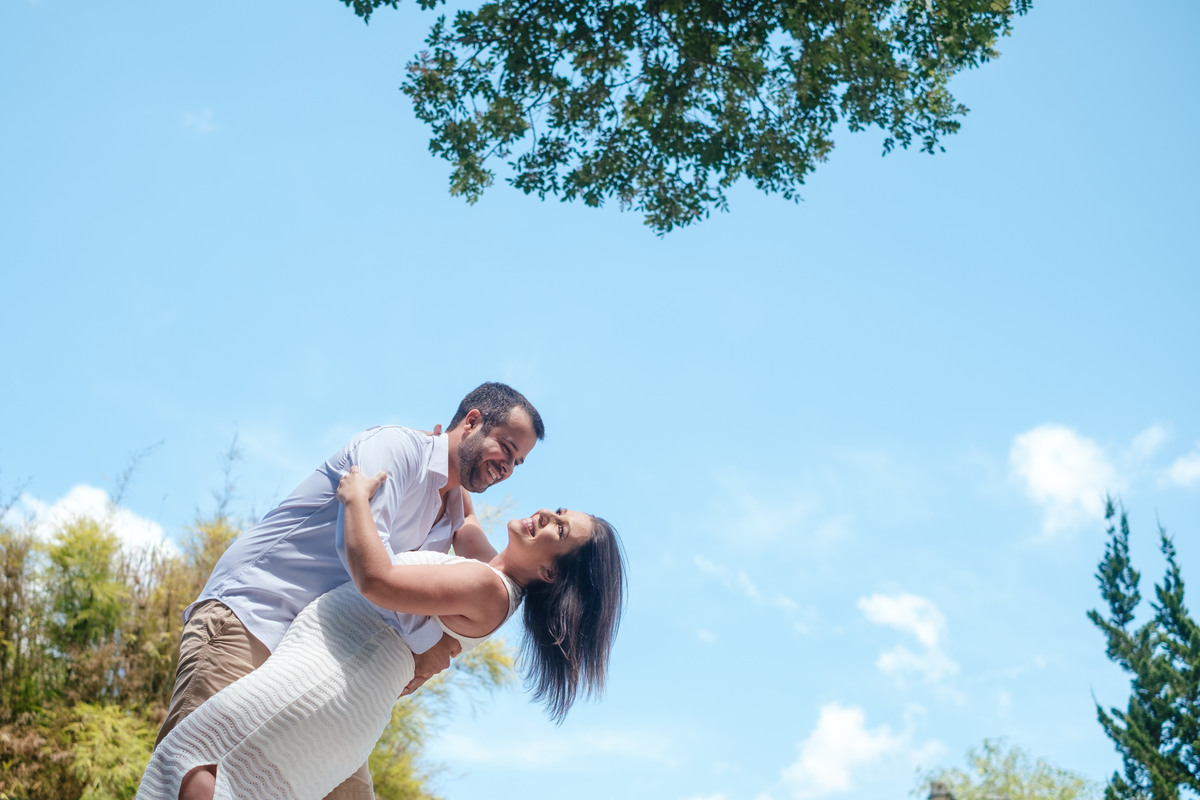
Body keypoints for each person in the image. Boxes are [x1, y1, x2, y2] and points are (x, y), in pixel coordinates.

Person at [138, 466, 626, 800]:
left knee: (200, 773)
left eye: (559, 531)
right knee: (214, 777)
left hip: (326, 681)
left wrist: (354, 502)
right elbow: (467, 522)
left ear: (551, 575)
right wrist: (453, 462)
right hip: (340, 687)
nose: (546, 516)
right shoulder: (491, 577)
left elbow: (377, 580)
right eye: (559, 511)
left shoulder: (486, 587)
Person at [155, 383, 544, 800]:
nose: (507, 467)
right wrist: (428, 650)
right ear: (472, 422)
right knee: (196, 773)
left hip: (317, 662)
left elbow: (493, 578)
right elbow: (368, 564)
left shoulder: (452, 514)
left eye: (517, 462)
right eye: (506, 447)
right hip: (256, 616)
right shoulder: (396, 449)